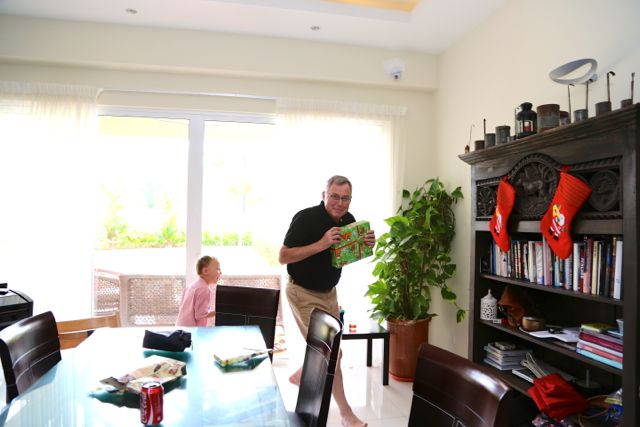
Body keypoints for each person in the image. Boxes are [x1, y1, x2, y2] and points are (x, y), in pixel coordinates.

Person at [279, 175, 375, 427]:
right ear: (324, 195)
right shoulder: (305, 218)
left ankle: (302, 374)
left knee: (328, 352)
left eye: (345, 198)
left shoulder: (349, 221)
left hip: (329, 293)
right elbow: (283, 256)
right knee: (332, 352)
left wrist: (365, 245)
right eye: (334, 196)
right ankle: (346, 414)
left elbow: (345, 256)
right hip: (302, 292)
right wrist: (321, 244)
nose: (339, 203)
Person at [175, 255, 220, 327]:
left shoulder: (191, 286)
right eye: (217, 269)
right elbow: (200, 315)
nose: (220, 272)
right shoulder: (204, 289)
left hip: (180, 326)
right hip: (192, 330)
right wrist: (218, 312)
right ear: (205, 271)